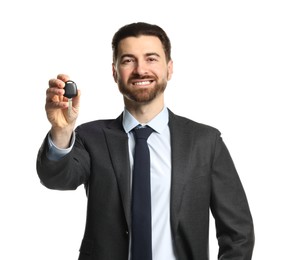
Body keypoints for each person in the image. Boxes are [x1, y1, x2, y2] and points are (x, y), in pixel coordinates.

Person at [36, 22, 254, 260]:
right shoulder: (91, 137)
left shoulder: (205, 141)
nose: (141, 70)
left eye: (151, 59)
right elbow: (56, 179)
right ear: (115, 72)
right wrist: (61, 130)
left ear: (169, 69)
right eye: (128, 60)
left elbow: (238, 233)